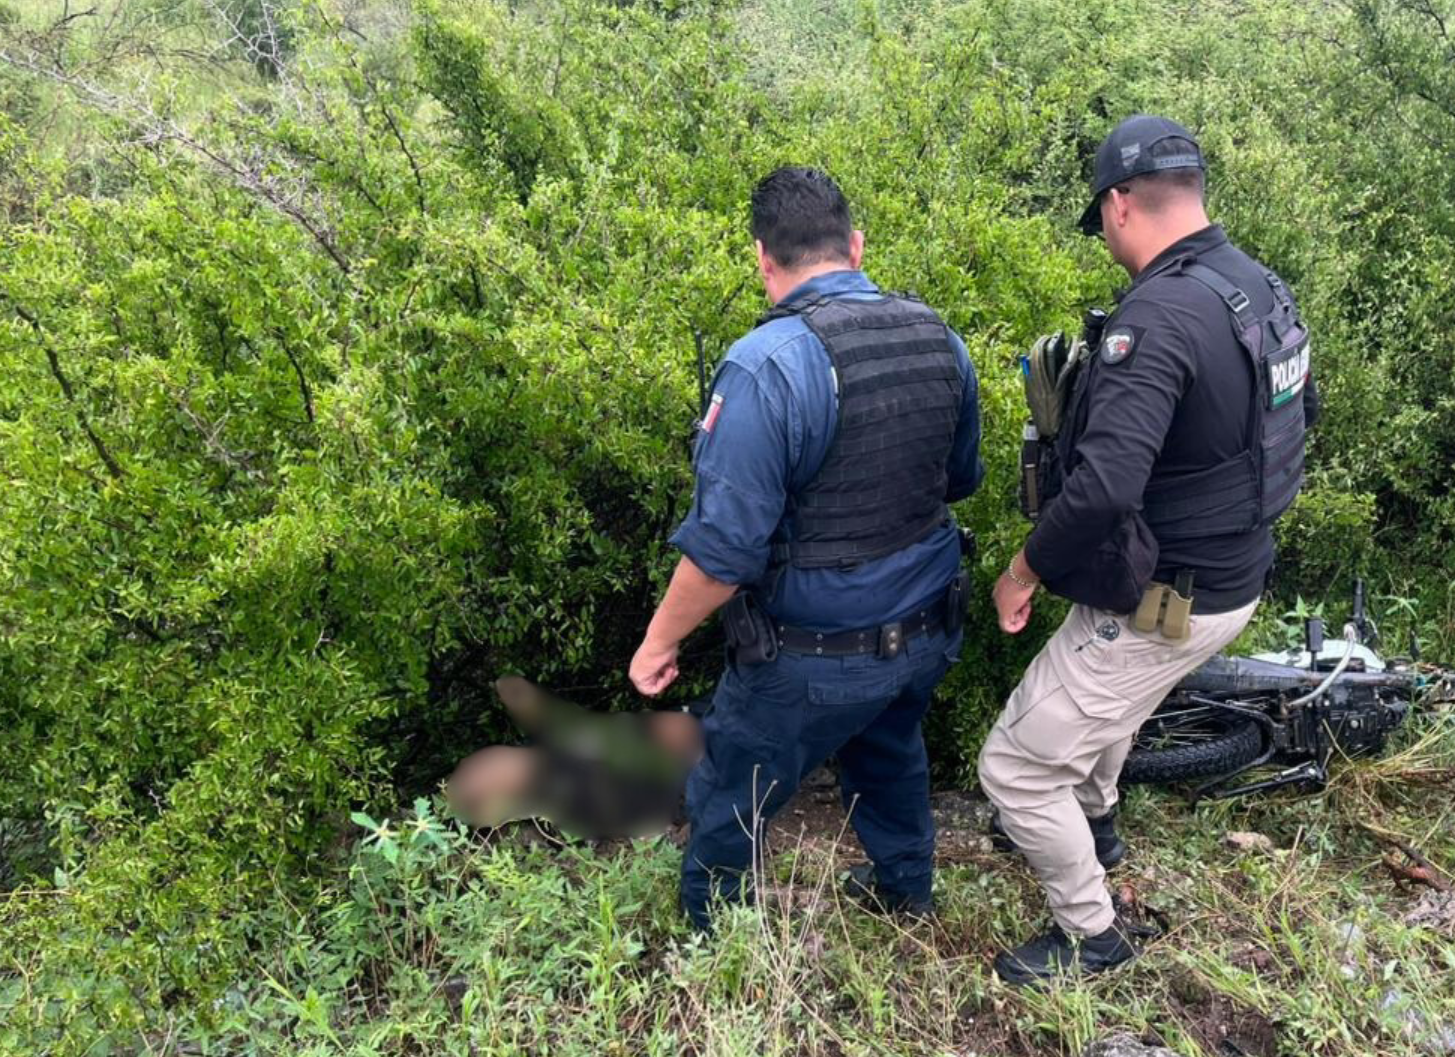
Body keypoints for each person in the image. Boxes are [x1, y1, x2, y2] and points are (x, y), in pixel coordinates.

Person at [979, 116, 1320, 984]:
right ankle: (1095, 824)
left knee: (1014, 768)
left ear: (1120, 204)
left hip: (1167, 596)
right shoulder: (1257, 288)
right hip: (1234, 577)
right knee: (1110, 693)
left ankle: (1090, 935)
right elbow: (1294, 422)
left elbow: (1102, 489)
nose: (1105, 238)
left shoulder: (1157, 317)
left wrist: (1020, 573)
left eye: (1101, 221)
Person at [628, 166, 983, 930]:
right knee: (890, 751)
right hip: (926, 630)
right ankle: (906, 894)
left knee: (732, 787)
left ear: (763, 260)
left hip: (813, 655)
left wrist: (658, 643)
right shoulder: (940, 339)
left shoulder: (766, 367)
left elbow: (722, 555)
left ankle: (716, 942)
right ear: (856, 246)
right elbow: (960, 480)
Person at [444, 676, 700, 841]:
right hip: (692, 772)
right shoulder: (567, 809)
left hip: (693, 726)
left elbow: (516, 690)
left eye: (473, 765)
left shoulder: (548, 740)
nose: (478, 761)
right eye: (479, 773)